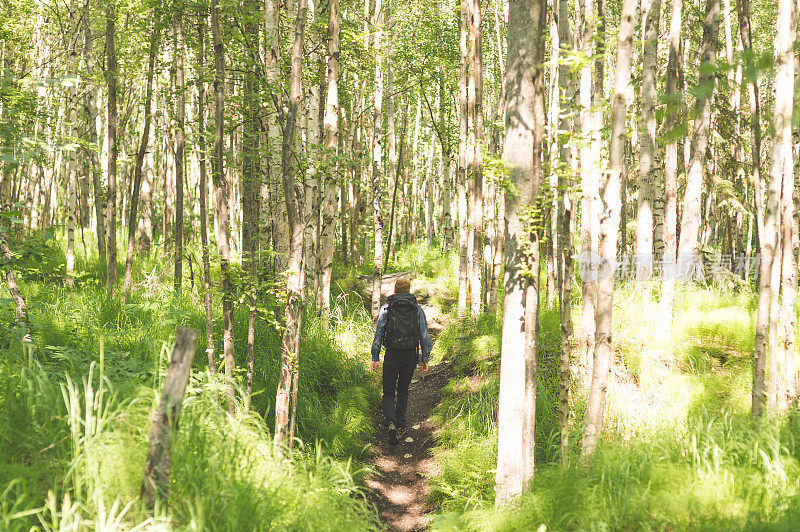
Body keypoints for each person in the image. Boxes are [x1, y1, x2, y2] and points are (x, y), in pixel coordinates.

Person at [371, 277, 432, 444]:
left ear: (395, 291)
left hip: (392, 354)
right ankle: (400, 422)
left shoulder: (387, 308)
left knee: (389, 391)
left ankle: (390, 421)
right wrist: (424, 358)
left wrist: (375, 357)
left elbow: (379, 334)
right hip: (410, 355)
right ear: (409, 291)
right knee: (403, 390)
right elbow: (424, 335)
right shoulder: (416, 309)